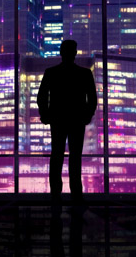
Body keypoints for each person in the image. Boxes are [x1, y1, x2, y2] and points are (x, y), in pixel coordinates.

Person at [37, 40, 97, 203]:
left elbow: (42, 96)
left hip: (58, 119)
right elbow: (92, 99)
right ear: (75, 53)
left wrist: (45, 114)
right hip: (77, 120)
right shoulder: (84, 74)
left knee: (56, 155)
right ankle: (76, 193)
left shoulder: (51, 73)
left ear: (61, 53)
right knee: (75, 157)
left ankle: (56, 193)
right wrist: (87, 115)